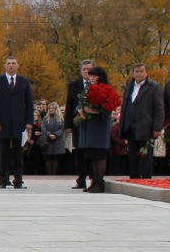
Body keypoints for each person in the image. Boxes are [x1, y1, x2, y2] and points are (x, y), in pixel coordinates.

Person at [0, 56, 33, 189]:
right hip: (2, 123)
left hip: (19, 123)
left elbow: (29, 103)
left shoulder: (24, 81)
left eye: (13, 63)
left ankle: (18, 180)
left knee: (18, 153)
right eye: (9, 63)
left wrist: (29, 121)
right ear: (5, 66)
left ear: (17, 65)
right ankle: (3, 179)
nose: (11, 65)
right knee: (3, 153)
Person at [74, 66, 116, 192]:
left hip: (99, 127)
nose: (92, 78)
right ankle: (94, 182)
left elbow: (107, 108)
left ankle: (99, 182)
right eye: (90, 75)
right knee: (92, 155)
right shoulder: (89, 88)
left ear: (100, 76)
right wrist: (81, 109)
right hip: (89, 127)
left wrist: (93, 110)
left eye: (94, 76)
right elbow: (81, 103)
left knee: (99, 155)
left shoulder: (107, 88)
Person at [119, 63, 164, 178]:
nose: (139, 74)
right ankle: (134, 179)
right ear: (133, 73)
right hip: (130, 127)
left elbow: (159, 109)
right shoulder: (129, 86)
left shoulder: (153, 87)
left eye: (141, 71)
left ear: (146, 73)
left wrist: (157, 128)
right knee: (132, 157)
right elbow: (125, 105)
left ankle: (146, 179)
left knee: (146, 156)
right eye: (136, 71)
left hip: (146, 127)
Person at [64, 60, 95, 189]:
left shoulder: (98, 85)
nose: (86, 72)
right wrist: (68, 125)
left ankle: (93, 178)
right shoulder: (73, 85)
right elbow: (69, 105)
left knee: (92, 152)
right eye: (84, 69)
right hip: (78, 124)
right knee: (79, 152)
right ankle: (81, 179)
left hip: (93, 124)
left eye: (89, 69)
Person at [39, 102, 66, 174]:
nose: (51, 109)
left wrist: (55, 135)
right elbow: (43, 128)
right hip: (47, 140)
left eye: (53, 108)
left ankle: (54, 174)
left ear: (56, 109)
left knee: (55, 159)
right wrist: (49, 134)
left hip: (57, 140)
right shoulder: (45, 118)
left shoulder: (61, 118)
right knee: (48, 159)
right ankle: (49, 174)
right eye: (50, 108)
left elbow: (62, 129)